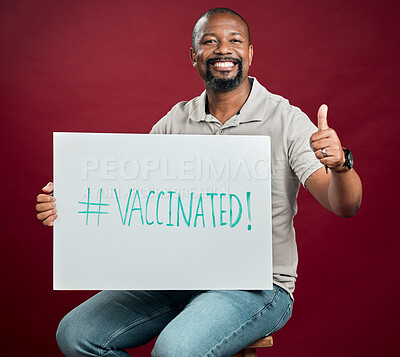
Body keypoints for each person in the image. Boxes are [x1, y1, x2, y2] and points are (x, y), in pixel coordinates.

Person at [35, 8, 362, 357]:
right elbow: (131, 207)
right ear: (194, 57)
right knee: (77, 333)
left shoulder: (287, 119)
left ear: (250, 53)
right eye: (210, 41)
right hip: (175, 278)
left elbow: (344, 205)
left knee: (175, 350)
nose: (224, 49)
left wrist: (341, 166)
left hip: (257, 286)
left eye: (235, 40)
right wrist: (72, 207)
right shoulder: (174, 121)